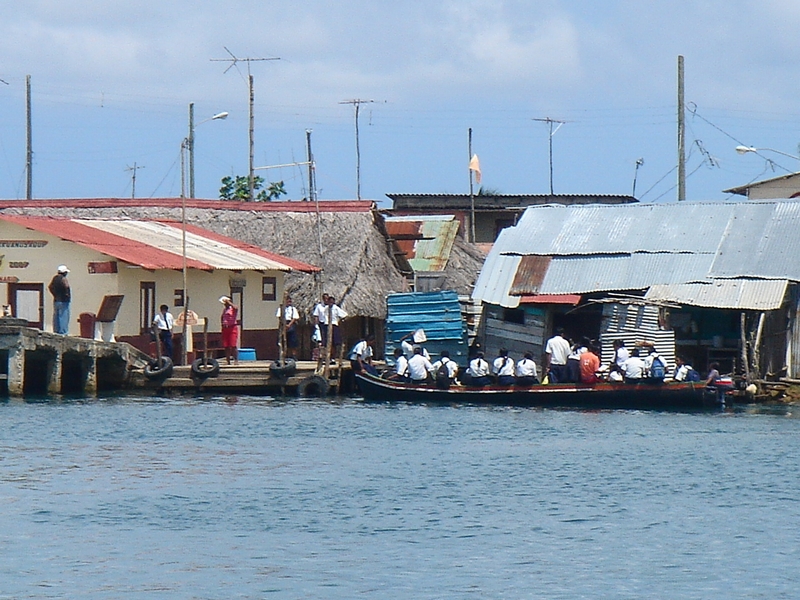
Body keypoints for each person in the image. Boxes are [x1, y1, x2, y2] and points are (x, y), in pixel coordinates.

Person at [48, 265, 71, 334]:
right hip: (64, 301)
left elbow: (50, 287)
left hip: (56, 300)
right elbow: (66, 286)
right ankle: (63, 332)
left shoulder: (55, 278)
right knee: (64, 316)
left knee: (56, 316)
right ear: (64, 272)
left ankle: (56, 331)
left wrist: (55, 294)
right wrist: (67, 295)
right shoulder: (63, 279)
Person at [219, 295, 239, 365]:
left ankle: (236, 360)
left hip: (232, 328)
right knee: (226, 346)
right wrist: (222, 324)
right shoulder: (225, 310)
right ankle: (228, 361)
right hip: (225, 328)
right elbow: (222, 317)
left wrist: (229, 302)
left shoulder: (233, 309)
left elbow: (236, 308)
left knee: (233, 345)